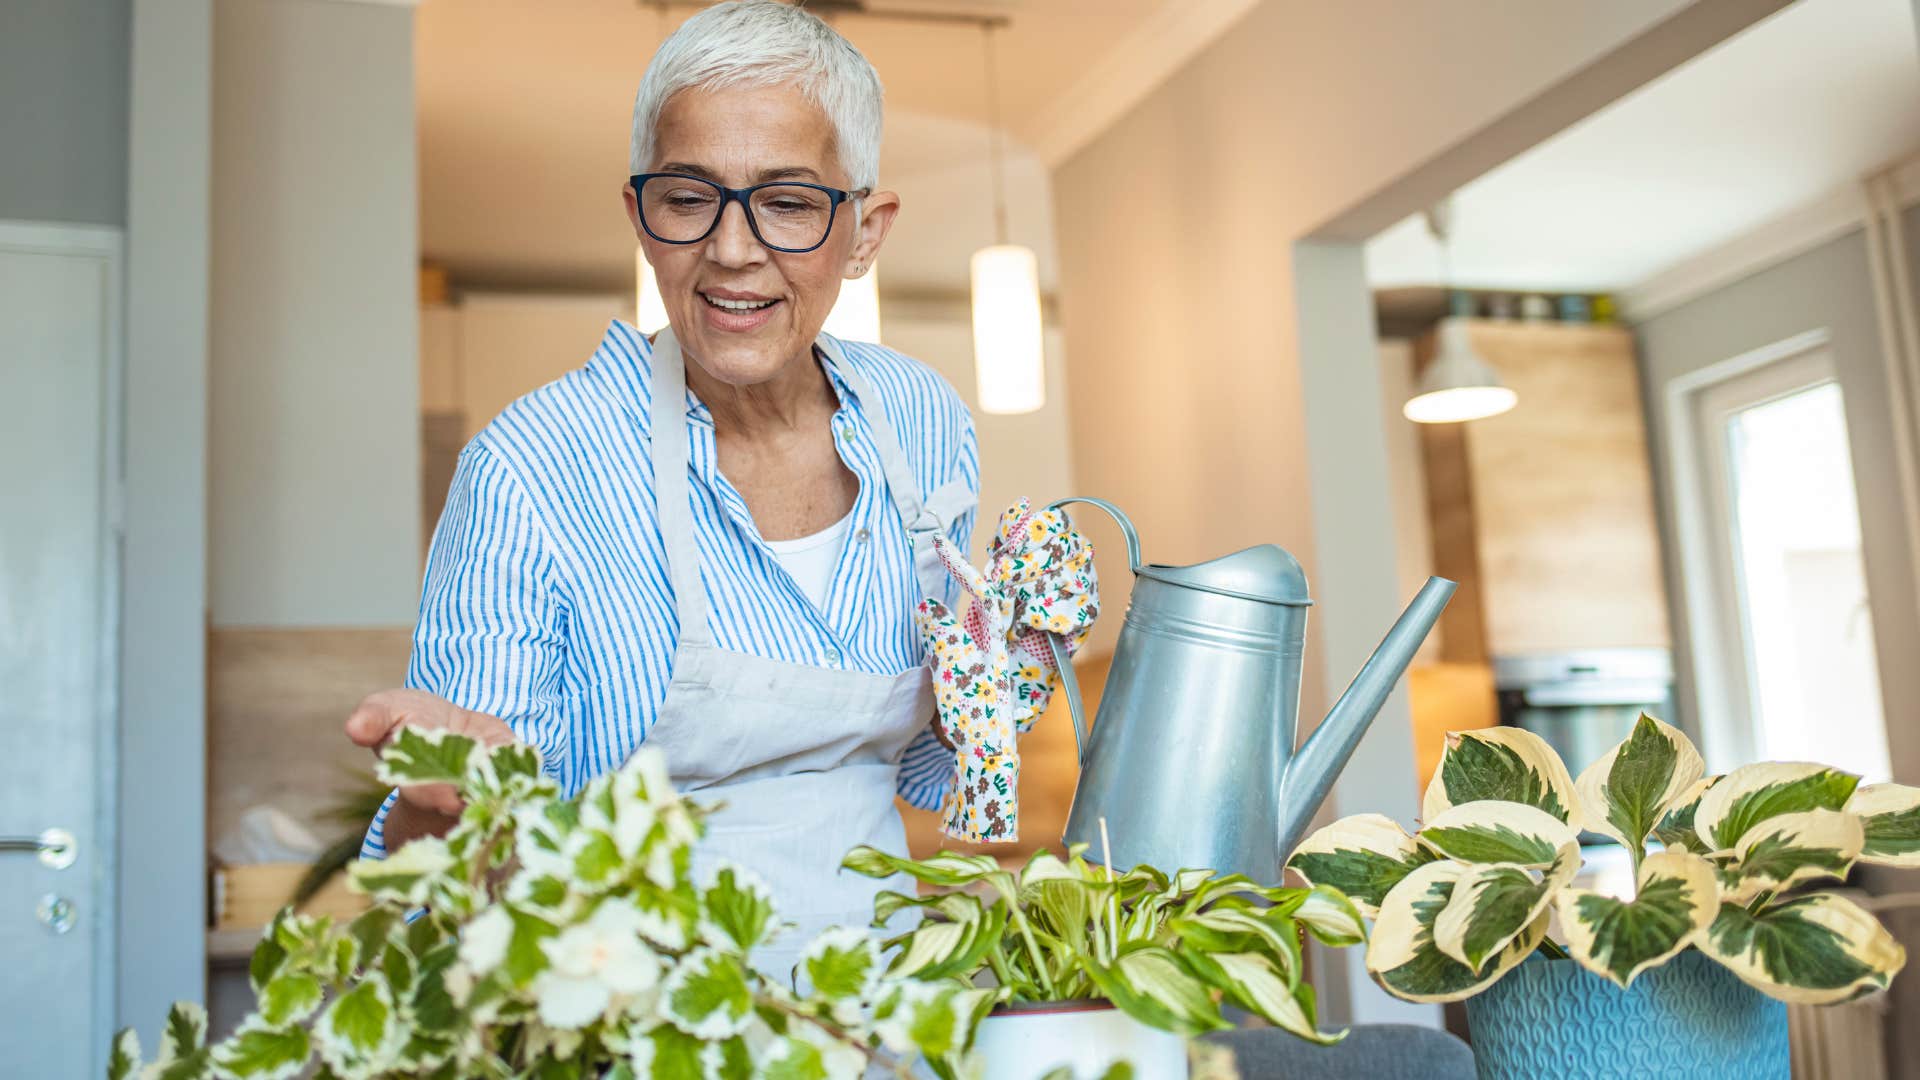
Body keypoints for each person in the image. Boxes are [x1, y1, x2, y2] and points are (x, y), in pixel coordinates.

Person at [344, 1, 986, 977]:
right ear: (640, 221)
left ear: (864, 232)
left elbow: (930, 761)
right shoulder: (531, 469)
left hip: (878, 1018)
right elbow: (443, 895)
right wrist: (442, 812)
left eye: (789, 202)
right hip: (627, 1030)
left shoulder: (924, 423)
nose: (732, 249)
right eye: (688, 196)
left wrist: (993, 666)